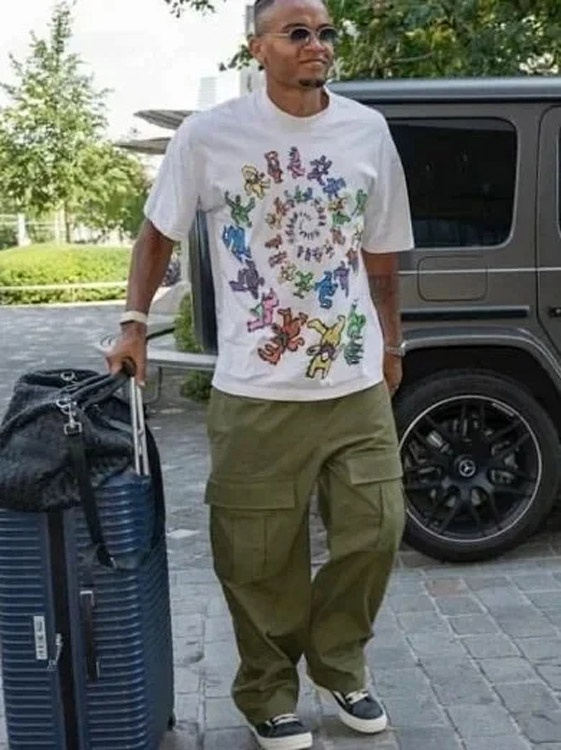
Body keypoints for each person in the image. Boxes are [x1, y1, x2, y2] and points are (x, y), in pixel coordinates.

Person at [107, 0, 414, 747]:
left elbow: (379, 255)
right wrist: (134, 323)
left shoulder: (366, 131)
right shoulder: (209, 135)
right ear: (258, 48)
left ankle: (340, 666)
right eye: (297, 33)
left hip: (352, 383)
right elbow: (157, 233)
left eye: (325, 33)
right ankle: (267, 689)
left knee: (377, 529)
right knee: (257, 553)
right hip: (255, 391)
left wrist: (392, 343)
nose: (317, 45)